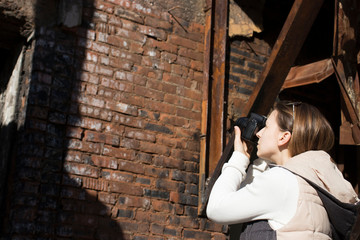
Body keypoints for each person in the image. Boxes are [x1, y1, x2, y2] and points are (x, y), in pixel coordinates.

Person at [206, 101, 359, 239]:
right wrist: (263, 160)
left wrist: (239, 157)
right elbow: (247, 202)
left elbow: (216, 208)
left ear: (283, 137)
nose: (259, 133)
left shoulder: (282, 181)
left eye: (267, 126)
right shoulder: (312, 182)